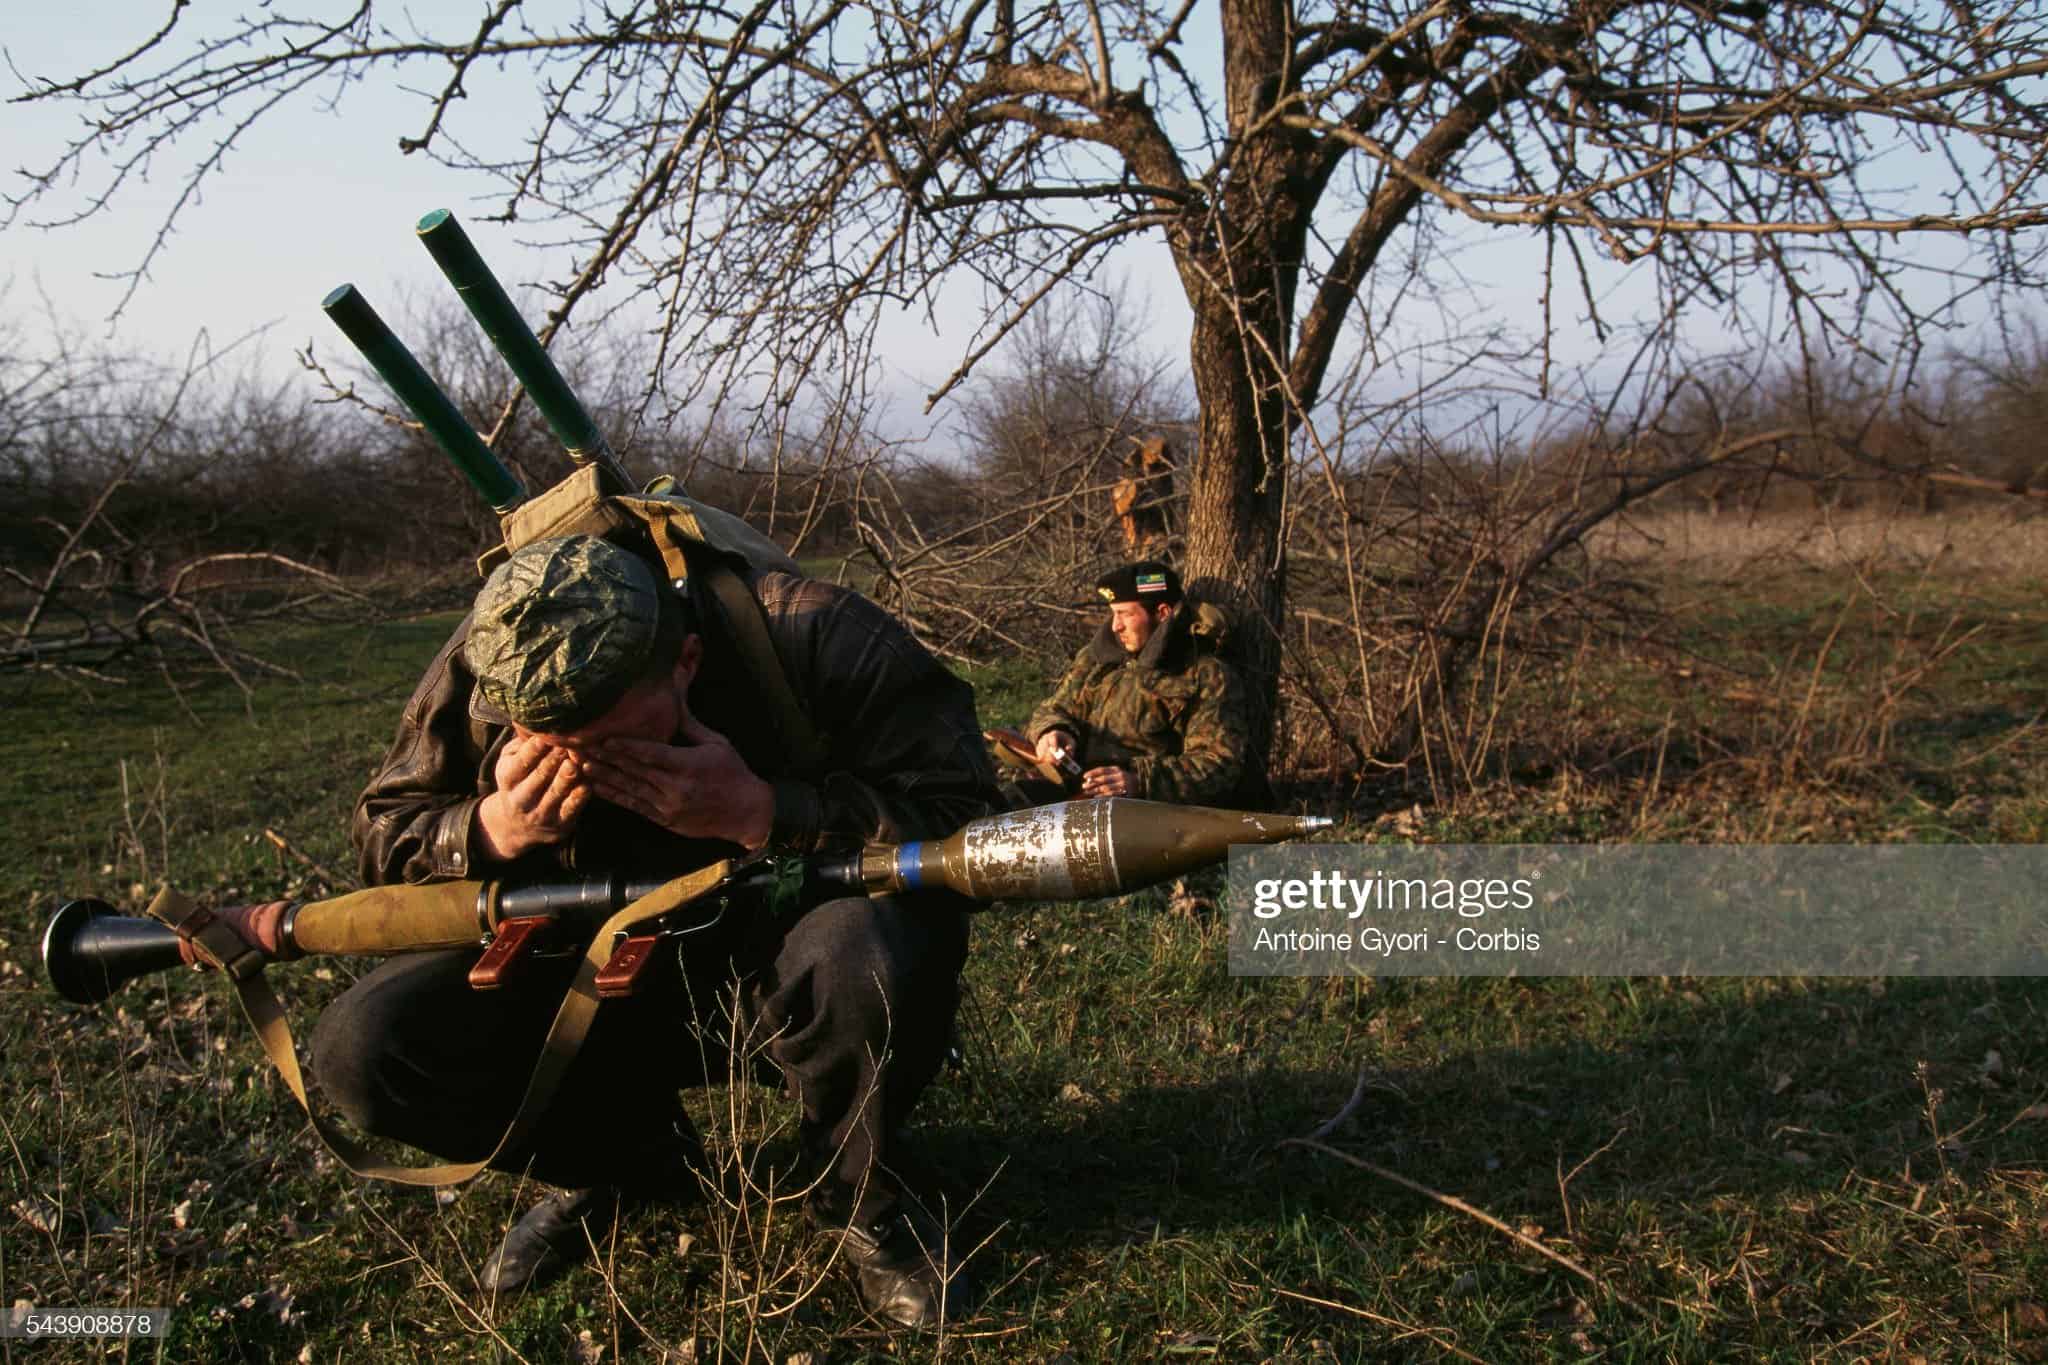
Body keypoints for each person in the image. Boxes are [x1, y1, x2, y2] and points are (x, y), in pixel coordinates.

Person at [308, 532, 998, 1329]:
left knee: (864, 957)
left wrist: (767, 811)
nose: (588, 763)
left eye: (617, 741)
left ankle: (857, 1195)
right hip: (583, 971)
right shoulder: (497, 648)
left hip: (782, 950)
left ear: (686, 661)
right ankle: (623, 1164)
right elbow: (383, 829)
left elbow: (972, 820)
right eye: (554, 746)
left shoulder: (810, 629)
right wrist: (491, 826)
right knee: (364, 1046)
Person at [1011, 561, 1250, 807]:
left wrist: (1140, 781)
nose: (1115, 626)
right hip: (1069, 792)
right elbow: (1052, 709)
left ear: (1163, 613)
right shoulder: (1096, 659)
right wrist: (1053, 732)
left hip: (1141, 813)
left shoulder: (1204, 674)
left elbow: (1219, 765)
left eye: (1125, 614)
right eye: (1113, 613)